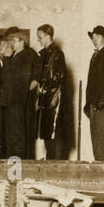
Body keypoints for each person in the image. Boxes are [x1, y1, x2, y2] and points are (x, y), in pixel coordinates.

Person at [0, 27, 40, 160]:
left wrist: (6, 59)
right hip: (12, 101)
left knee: (16, 137)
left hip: (17, 101)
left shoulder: (25, 56)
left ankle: (17, 170)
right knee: (12, 136)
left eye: (14, 41)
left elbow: (16, 80)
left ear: (22, 42)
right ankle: (14, 168)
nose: (11, 44)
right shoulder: (15, 57)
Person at [36, 23, 66, 159]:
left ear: (48, 36)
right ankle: (49, 161)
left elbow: (58, 78)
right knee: (47, 134)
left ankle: (51, 164)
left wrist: (44, 87)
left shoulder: (57, 54)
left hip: (53, 99)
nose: (39, 40)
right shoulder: (44, 54)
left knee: (51, 134)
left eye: (40, 37)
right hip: (46, 99)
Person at [84, 24, 104, 162]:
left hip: (101, 105)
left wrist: (102, 101)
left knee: (101, 140)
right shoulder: (95, 55)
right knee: (96, 140)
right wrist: (88, 103)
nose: (94, 40)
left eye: (98, 37)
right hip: (93, 105)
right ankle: (100, 168)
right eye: (93, 37)